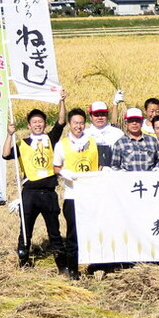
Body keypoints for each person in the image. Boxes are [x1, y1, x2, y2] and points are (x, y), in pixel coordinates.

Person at [52, 108, 111, 279]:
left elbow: (98, 164)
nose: (78, 126)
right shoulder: (61, 145)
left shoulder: (92, 141)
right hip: (72, 196)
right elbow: (55, 167)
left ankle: (96, 266)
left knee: (94, 231)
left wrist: (104, 169)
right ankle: (73, 269)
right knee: (73, 234)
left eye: (81, 123)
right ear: (69, 125)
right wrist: (64, 172)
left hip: (92, 195)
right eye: (75, 123)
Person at [2, 108, 66, 269]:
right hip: (29, 194)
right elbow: (5, 154)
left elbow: (61, 122)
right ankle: (23, 260)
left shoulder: (50, 139)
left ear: (44, 124)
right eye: (34, 122)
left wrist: (62, 101)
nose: (38, 124)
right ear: (29, 126)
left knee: (54, 230)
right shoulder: (22, 143)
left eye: (40, 121)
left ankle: (61, 263)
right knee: (25, 229)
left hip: (49, 193)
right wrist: (10, 134)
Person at [111, 107, 159, 171]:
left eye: (137, 120)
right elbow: (114, 165)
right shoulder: (119, 143)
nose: (134, 123)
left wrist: (158, 167)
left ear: (142, 122)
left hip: (149, 180)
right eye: (131, 121)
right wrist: (120, 172)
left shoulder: (152, 141)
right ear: (126, 123)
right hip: (128, 180)